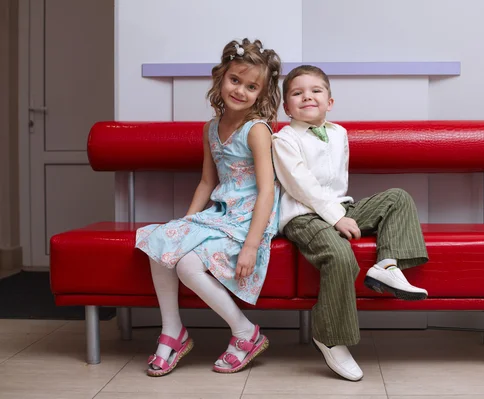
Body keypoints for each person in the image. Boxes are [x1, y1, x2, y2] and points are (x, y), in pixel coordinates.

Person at [272, 65, 429, 381]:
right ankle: (330, 336)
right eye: (297, 93)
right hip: (302, 216)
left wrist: (342, 214)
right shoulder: (284, 138)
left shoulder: (339, 133)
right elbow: (301, 185)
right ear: (287, 107)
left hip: (340, 209)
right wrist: (335, 218)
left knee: (397, 197)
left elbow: (335, 186)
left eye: (316, 91)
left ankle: (386, 266)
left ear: (330, 101)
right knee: (341, 256)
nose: (307, 97)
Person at [135, 38, 282, 376]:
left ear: (261, 93)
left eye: (251, 86)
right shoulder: (210, 129)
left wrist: (251, 245)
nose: (241, 90)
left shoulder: (256, 130)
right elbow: (206, 182)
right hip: (219, 214)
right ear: (221, 78)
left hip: (247, 220)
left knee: (187, 265)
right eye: (235, 80)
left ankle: (246, 333)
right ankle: (173, 332)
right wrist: (184, 226)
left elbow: (266, 191)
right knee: (163, 244)